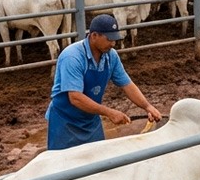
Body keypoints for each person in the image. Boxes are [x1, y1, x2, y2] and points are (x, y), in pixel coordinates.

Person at [45, 13, 162, 150]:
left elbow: (127, 84)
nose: (113, 44)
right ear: (94, 36)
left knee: (98, 158)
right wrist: (109, 112)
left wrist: (147, 106)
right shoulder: (72, 57)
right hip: (65, 121)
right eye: (109, 39)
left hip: (90, 119)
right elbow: (75, 97)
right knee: (65, 161)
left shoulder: (111, 56)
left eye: (115, 39)